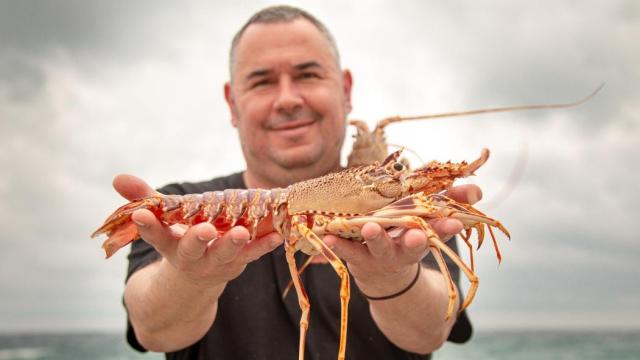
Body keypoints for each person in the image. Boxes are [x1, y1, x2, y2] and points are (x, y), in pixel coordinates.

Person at [115, 5, 477, 360]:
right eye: (262, 81)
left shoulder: (408, 215)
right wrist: (191, 279)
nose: (287, 99)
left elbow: (430, 333)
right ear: (232, 104)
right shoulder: (177, 201)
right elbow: (152, 330)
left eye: (308, 75)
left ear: (346, 90)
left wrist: (392, 278)